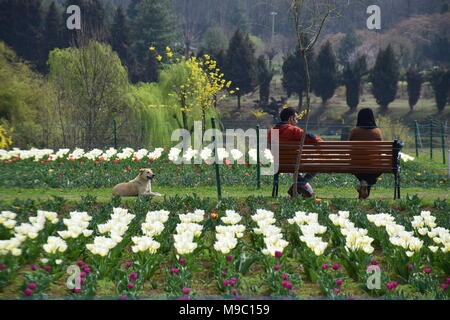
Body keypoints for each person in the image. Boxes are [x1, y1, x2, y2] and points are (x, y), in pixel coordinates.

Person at [268, 107, 322, 198]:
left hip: (278, 163)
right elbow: (313, 139)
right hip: (294, 163)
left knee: (296, 167)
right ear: (290, 119)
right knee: (317, 165)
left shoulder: (272, 131)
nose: (297, 121)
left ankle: (300, 187)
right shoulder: (293, 130)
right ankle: (300, 185)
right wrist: (320, 140)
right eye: (296, 118)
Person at [348, 108, 384, 200]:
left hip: (356, 165)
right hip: (373, 165)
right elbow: (380, 150)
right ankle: (364, 185)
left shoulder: (354, 131)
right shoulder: (377, 131)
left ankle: (363, 185)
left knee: (363, 172)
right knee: (373, 171)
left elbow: (350, 147)